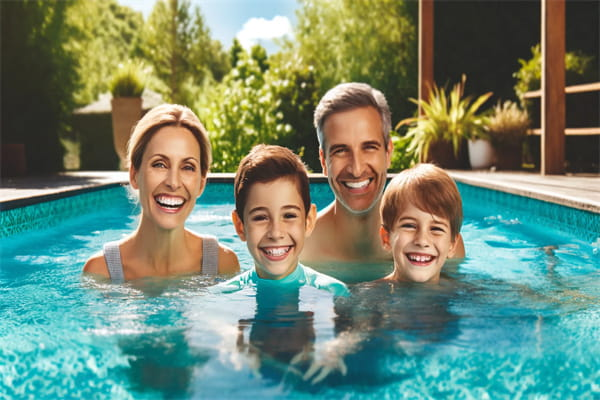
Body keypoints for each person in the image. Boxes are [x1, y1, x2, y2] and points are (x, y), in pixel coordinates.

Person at [301, 82, 464, 273]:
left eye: (369, 147)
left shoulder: (437, 244)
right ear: (323, 161)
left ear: (388, 153)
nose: (356, 169)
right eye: (340, 150)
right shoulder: (302, 249)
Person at [83, 103, 239, 281]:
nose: (173, 183)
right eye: (159, 164)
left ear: (201, 184)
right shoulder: (101, 271)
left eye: (187, 167)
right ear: (134, 175)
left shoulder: (223, 264)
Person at [217, 144, 348, 295]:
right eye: (260, 218)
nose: (276, 233)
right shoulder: (222, 297)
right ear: (240, 226)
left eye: (289, 215)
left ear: (309, 221)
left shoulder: (334, 293)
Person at [377, 163, 463, 284]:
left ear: (452, 245)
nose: (422, 241)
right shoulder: (365, 299)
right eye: (409, 226)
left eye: (436, 229)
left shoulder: (470, 296)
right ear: (386, 238)